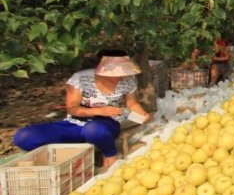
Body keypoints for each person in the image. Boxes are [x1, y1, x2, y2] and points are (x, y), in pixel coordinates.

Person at [13, 50, 150, 169]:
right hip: (75, 123)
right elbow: (72, 109)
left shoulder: (128, 81)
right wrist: (99, 111)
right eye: (116, 73)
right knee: (23, 136)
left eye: (123, 72)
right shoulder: (81, 78)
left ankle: (110, 155)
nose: (121, 77)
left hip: (105, 124)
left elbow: (132, 104)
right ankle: (70, 152)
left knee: (94, 130)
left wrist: (142, 114)